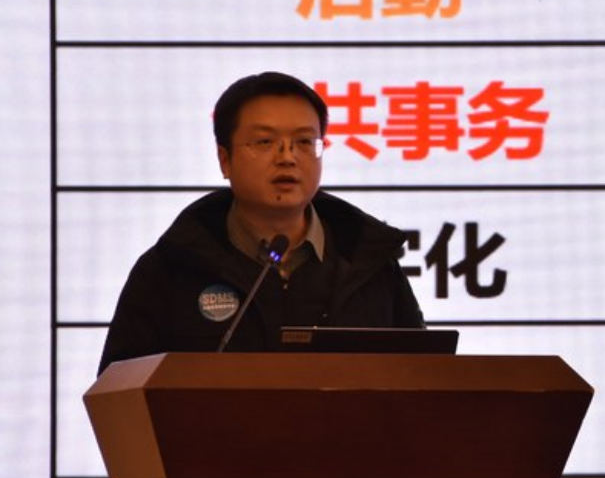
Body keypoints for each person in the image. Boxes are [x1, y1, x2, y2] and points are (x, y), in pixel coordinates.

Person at [97, 71, 424, 375]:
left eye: (304, 142)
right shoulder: (170, 268)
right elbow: (120, 394)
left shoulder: (370, 266)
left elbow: (423, 379)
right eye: (265, 142)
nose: (287, 157)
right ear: (225, 160)